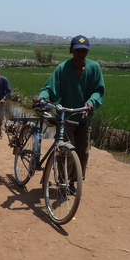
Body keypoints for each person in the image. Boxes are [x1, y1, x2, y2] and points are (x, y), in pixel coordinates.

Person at [33, 35, 105, 181]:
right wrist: (42, 97)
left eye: (84, 50)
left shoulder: (94, 68)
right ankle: (62, 179)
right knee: (65, 150)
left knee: (83, 152)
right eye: (78, 50)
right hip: (65, 117)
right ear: (71, 50)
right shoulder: (63, 68)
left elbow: (99, 90)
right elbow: (50, 88)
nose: (81, 53)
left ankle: (74, 181)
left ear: (88, 52)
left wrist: (91, 102)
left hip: (84, 117)